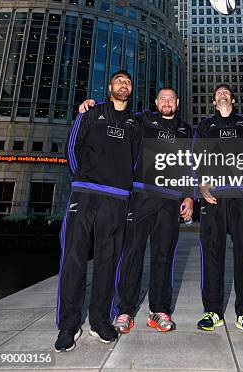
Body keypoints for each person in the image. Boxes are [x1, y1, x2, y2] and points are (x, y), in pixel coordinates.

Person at [79, 88, 193, 333]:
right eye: (162, 99)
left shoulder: (186, 129)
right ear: (155, 102)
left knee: (163, 255)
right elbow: (118, 109)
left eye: (171, 99)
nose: (166, 102)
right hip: (141, 195)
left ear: (178, 102)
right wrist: (93, 105)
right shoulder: (142, 119)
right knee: (133, 253)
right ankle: (125, 311)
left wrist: (189, 196)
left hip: (170, 199)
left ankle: (159, 310)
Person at [55, 70, 140, 353]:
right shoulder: (91, 112)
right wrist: (81, 178)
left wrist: (126, 187)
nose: (123, 84)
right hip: (86, 194)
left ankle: (99, 320)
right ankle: (68, 325)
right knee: (74, 258)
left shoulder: (134, 123)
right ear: (110, 86)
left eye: (127, 82)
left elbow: (137, 159)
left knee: (107, 261)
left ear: (131, 89)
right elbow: (72, 147)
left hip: (117, 200)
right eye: (119, 81)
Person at [195, 84, 243, 335]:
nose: (221, 95)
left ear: (233, 99)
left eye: (225, 93)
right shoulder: (205, 126)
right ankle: (212, 311)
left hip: (242, 196)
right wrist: (200, 187)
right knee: (212, 253)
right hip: (214, 198)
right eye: (217, 94)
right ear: (214, 102)